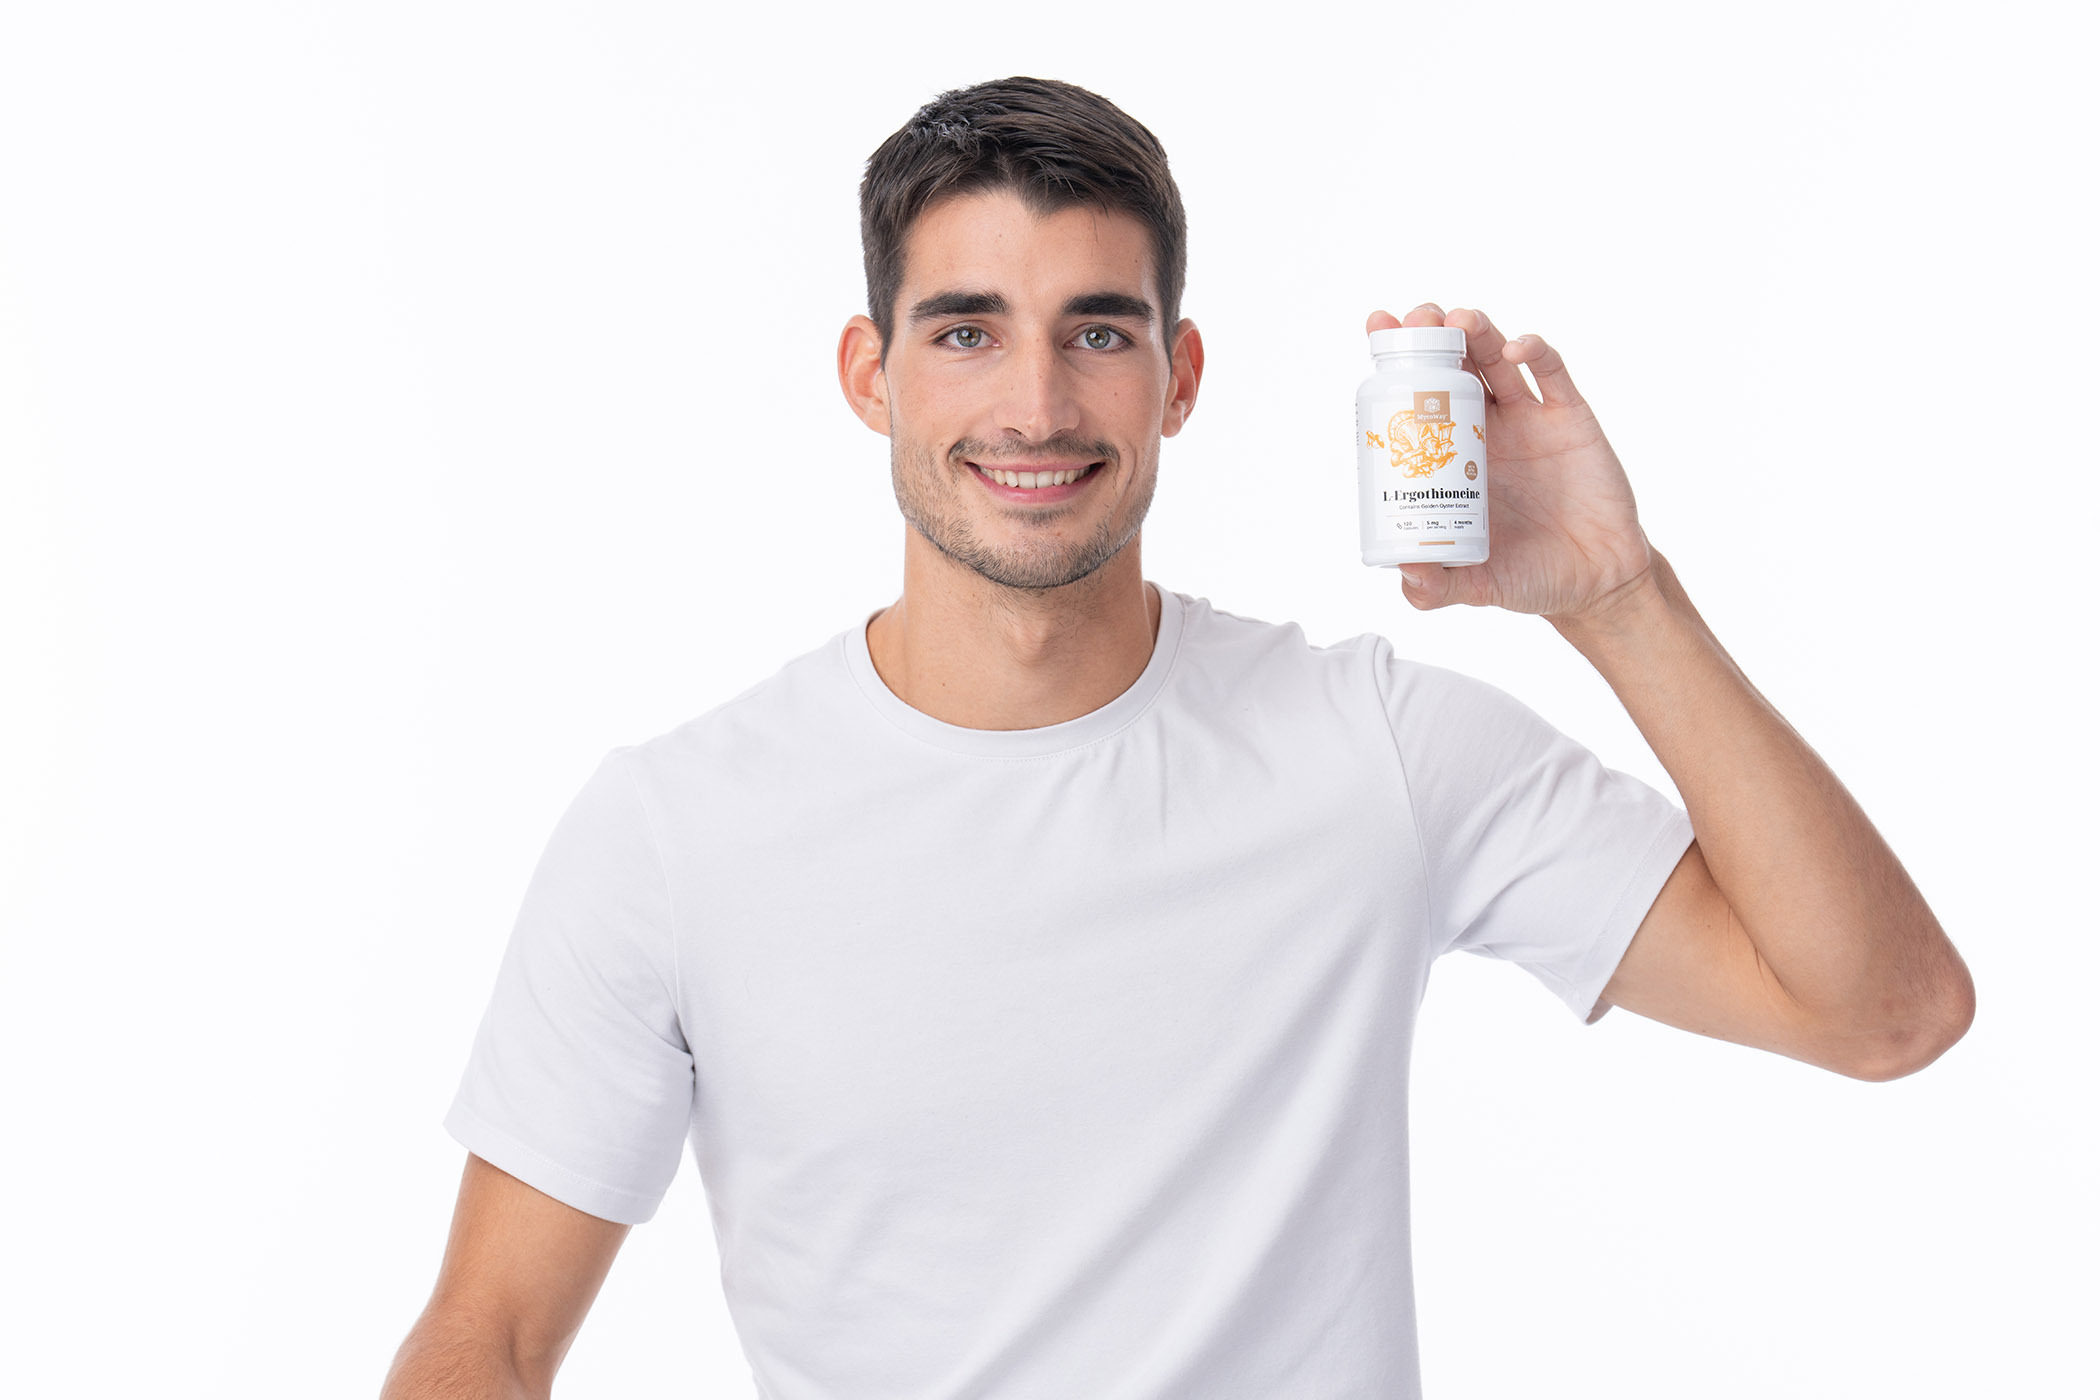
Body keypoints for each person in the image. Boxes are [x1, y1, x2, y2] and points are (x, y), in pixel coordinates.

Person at [381, 76, 1973, 1399]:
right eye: (965, 332)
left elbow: (1884, 1014)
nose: (1036, 406)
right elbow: (488, 1341)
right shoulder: (676, 832)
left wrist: (1620, 598)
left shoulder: (1375, 752)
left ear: (1179, 375)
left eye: (1096, 332)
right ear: (870, 376)